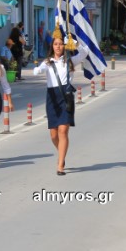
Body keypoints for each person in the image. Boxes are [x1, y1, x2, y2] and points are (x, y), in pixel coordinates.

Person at [33, 30, 88, 175]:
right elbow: (41, 68)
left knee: (63, 131)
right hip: (52, 97)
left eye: (61, 44)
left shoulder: (69, 61)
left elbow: (84, 53)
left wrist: (76, 43)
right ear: (52, 46)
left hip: (66, 96)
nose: (58, 47)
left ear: (64, 46)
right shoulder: (48, 62)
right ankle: (61, 153)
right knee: (53, 134)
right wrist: (37, 70)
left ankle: (60, 164)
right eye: (55, 44)